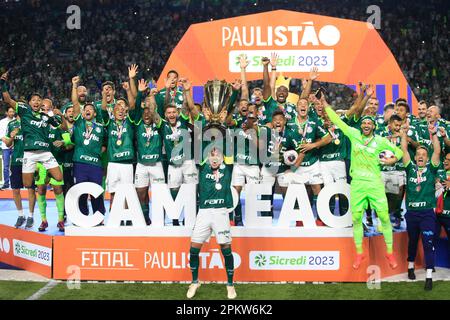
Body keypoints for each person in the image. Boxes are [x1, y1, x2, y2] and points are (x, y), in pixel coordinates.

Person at [323, 93, 402, 269]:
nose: (366, 125)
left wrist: (391, 160)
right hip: (357, 183)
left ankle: (390, 252)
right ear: (361, 125)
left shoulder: (381, 141)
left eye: (369, 123)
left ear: (373, 126)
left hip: (374, 184)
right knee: (357, 218)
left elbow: (399, 153)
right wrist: (325, 104)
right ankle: (359, 253)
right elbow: (338, 120)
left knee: (383, 216)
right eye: (364, 123)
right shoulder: (353, 134)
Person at [1, 72, 65, 230]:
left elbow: (62, 127)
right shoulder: (24, 111)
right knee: (27, 184)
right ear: (29, 103)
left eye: (39, 100)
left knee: (58, 176)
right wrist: (3, 83)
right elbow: (7, 99)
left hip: (44, 152)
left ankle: (43, 172)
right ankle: (37, 172)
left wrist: (60, 116)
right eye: (34, 100)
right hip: (29, 154)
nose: (37, 102)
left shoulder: (46, 117)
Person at [186, 147, 236, 300]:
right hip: (204, 213)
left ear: (222, 158)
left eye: (218, 155)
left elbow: (229, 146)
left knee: (225, 248)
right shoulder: (202, 168)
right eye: (212, 155)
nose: (214, 158)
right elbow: (198, 145)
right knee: (194, 248)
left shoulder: (227, 168)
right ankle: (195, 281)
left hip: (221, 213)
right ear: (207, 158)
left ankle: (230, 285)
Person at [400, 124, 440, 291]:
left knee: (428, 242)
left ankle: (429, 277)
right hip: (412, 213)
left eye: (424, 154)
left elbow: (437, 151)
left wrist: (434, 134)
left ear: (427, 157)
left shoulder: (431, 169)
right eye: (419, 154)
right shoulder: (410, 169)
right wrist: (403, 133)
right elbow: (403, 149)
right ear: (415, 157)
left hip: (427, 214)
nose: (421, 156)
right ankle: (410, 266)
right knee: (413, 241)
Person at [71, 76, 106, 218]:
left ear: (95, 113)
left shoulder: (101, 127)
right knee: (81, 192)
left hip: (96, 165)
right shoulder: (79, 123)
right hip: (80, 163)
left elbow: (105, 144)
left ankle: (99, 217)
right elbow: (74, 103)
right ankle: (82, 217)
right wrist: (74, 86)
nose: (88, 110)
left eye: (91, 109)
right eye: (86, 109)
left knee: (97, 192)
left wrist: (98, 152)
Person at [133, 80, 165, 225]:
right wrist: (140, 93)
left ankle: (160, 219)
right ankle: (145, 217)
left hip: (156, 164)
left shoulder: (158, 124)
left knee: (159, 193)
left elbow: (155, 110)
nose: (147, 114)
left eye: (149, 112)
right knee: (141, 192)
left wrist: (153, 96)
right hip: (141, 165)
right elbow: (136, 108)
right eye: (144, 112)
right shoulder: (138, 123)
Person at [2, 115, 36, 228]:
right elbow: (7, 144)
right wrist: (12, 137)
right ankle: (21, 215)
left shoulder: (32, 123)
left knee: (31, 189)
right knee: (15, 190)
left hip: (29, 161)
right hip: (16, 161)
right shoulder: (11, 124)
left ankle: (31, 216)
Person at [378, 115, 406, 229]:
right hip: (385, 170)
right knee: (387, 196)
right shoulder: (382, 134)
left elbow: (406, 150)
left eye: (400, 125)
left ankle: (396, 215)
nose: (398, 127)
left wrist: (404, 137)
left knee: (398, 195)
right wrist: (390, 138)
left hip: (399, 169)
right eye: (396, 125)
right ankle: (385, 217)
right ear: (389, 124)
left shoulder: (403, 135)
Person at [0, 105, 16, 189]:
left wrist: (13, 143)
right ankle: (6, 183)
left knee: (14, 166)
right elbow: (1, 134)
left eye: (13, 111)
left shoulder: (17, 122)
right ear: (6, 112)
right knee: (6, 166)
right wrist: (7, 142)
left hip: (15, 147)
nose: (12, 113)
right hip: (5, 147)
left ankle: (15, 183)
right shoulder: (2, 122)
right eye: (10, 111)